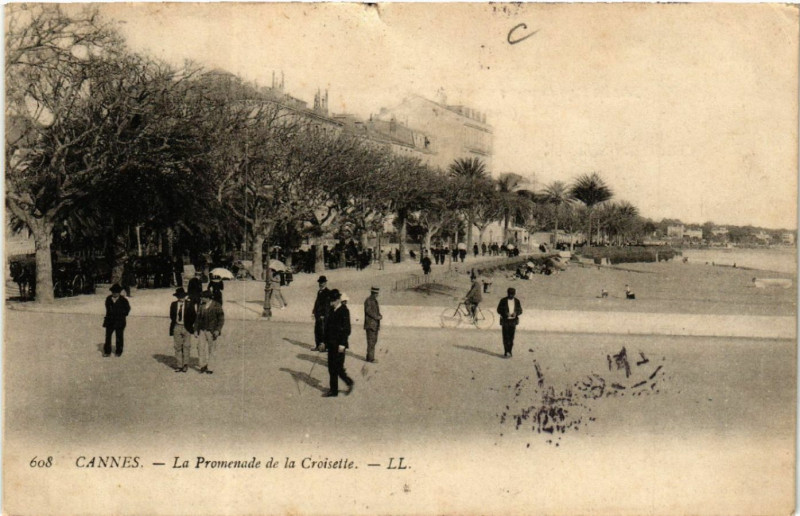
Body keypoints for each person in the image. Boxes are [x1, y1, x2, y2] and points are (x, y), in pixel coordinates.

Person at [323, 289, 354, 397]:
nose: (330, 303)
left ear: (337, 300)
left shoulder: (344, 311)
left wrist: (342, 344)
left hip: (340, 345)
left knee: (338, 368)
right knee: (331, 367)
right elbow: (327, 328)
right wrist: (324, 342)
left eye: (332, 301)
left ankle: (349, 382)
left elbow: (347, 330)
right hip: (331, 344)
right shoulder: (332, 310)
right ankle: (333, 391)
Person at [195, 290, 224, 374]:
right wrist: (196, 330)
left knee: (212, 349)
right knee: (200, 347)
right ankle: (203, 365)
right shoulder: (201, 306)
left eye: (202, 297)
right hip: (202, 330)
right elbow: (197, 319)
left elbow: (221, 319)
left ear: (207, 298)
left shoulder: (217, 305)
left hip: (212, 331)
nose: (201, 298)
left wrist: (218, 330)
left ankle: (210, 368)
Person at [169, 287, 197, 373]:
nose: (181, 298)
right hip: (177, 326)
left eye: (182, 296)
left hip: (186, 327)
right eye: (179, 296)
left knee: (186, 346)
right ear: (177, 297)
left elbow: (194, 316)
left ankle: (185, 364)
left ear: (185, 296)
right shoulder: (173, 304)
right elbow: (172, 316)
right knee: (177, 346)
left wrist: (189, 324)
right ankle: (179, 365)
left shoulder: (190, 304)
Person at [103, 284, 131, 357]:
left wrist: (122, 314)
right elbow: (107, 308)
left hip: (119, 321)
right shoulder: (108, 299)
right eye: (113, 292)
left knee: (119, 336)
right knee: (108, 336)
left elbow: (127, 309)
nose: (114, 294)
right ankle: (107, 351)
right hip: (110, 321)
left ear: (119, 292)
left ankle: (119, 351)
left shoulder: (124, 300)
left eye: (116, 292)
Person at [497, 288, 523, 358]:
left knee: (511, 337)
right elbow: (498, 310)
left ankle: (510, 351)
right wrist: (505, 314)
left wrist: (516, 313)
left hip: (513, 321)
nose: (511, 296)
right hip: (505, 321)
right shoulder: (503, 300)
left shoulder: (517, 301)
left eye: (512, 294)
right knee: (505, 337)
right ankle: (506, 351)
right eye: (509, 294)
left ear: (514, 294)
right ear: (507, 293)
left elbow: (520, 310)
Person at [312, 276, 331, 352]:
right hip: (318, 315)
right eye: (320, 283)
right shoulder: (319, 291)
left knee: (323, 331)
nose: (320, 284)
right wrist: (313, 312)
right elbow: (317, 303)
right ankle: (317, 345)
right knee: (317, 330)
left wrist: (324, 315)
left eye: (322, 283)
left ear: (325, 283)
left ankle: (324, 347)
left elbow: (327, 305)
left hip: (323, 316)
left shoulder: (327, 292)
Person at [363, 287, 382, 363]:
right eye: (376, 293)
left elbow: (376, 311)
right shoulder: (368, 300)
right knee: (371, 342)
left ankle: (369, 357)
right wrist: (377, 317)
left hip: (375, 325)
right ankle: (371, 358)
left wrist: (380, 315)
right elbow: (368, 311)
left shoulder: (374, 301)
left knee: (373, 341)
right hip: (370, 325)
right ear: (373, 293)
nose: (377, 295)